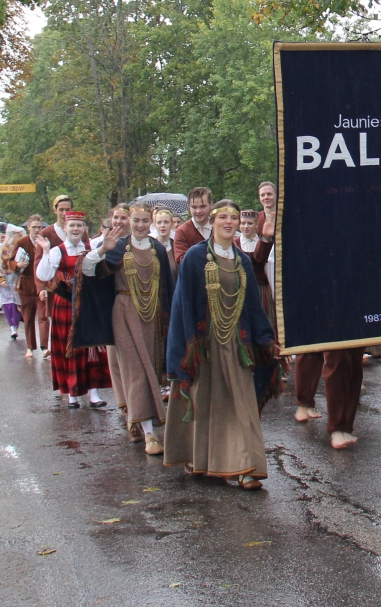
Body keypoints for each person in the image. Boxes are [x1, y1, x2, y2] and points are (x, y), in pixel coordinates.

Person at [163, 199, 280, 489]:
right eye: (223, 217)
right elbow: (183, 305)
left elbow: (253, 306)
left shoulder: (241, 260)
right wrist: (188, 347)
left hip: (236, 343)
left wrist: (266, 340)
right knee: (204, 402)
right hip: (203, 345)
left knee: (241, 403)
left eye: (234, 218)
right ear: (212, 222)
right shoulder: (194, 257)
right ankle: (200, 459)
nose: (229, 222)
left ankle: (247, 467)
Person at [90, 199, 173, 452]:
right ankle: (150, 434)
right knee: (136, 370)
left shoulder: (158, 249)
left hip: (151, 316)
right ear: (129, 221)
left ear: (151, 223)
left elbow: (168, 288)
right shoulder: (117, 247)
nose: (139, 225)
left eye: (144, 221)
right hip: (124, 312)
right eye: (134, 220)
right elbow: (86, 270)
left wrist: (170, 320)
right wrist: (102, 250)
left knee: (149, 367)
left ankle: (135, 420)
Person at [34, 210, 113, 409]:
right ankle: (72, 393)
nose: (76, 229)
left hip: (86, 303)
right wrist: (44, 251)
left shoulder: (91, 247)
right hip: (66, 304)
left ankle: (94, 393)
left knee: (91, 347)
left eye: (79, 225)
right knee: (69, 348)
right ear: (66, 229)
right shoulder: (57, 251)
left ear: (84, 228)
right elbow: (43, 275)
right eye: (72, 226)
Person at [12, 216, 45, 355]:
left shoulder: (45, 242)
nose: (37, 230)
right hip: (26, 286)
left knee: (43, 316)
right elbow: (10, 262)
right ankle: (30, 347)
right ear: (28, 228)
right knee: (28, 317)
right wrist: (17, 265)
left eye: (39, 227)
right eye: (34, 227)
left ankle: (45, 347)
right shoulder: (21, 242)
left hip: (42, 285)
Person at [172, 187, 213, 265]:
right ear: (189, 207)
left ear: (210, 205)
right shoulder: (182, 232)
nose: (198, 211)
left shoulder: (218, 227)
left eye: (202, 206)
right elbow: (181, 261)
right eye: (194, 207)